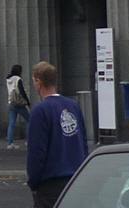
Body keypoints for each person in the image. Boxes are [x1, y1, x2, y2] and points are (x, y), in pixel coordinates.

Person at [26, 62, 88, 208]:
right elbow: (83, 142)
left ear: (38, 81)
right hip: (76, 179)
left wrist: (33, 182)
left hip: (51, 184)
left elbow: (36, 152)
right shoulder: (73, 105)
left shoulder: (40, 111)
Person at [6, 64, 32, 149]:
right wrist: (27, 101)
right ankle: (28, 141)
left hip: (11, 102)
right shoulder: (18, 79)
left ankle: (10, 143)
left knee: (11, 123)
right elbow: (22, 92)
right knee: (29, 120)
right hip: (19, 103)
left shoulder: (8, 79)